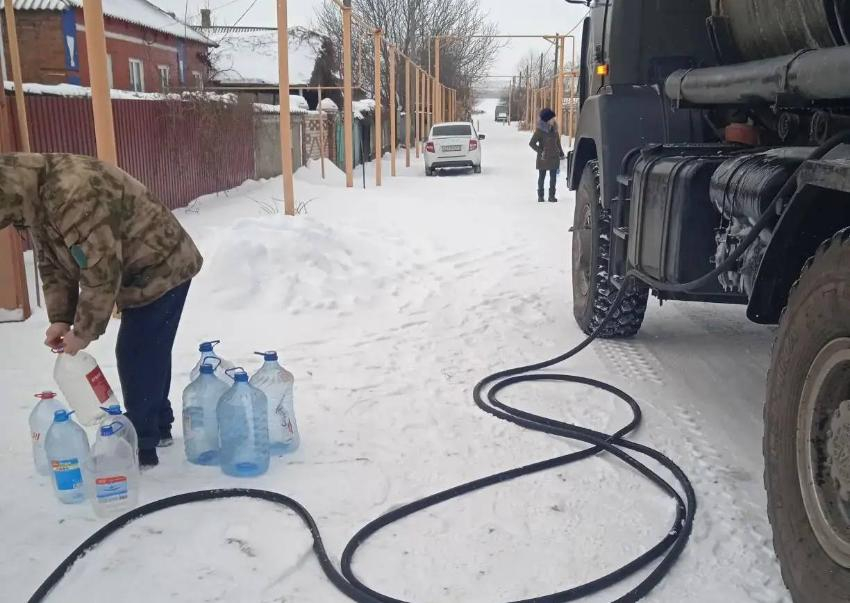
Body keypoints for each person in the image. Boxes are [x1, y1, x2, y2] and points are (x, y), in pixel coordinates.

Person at [0, 153, 202, 468]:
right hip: (133, 270)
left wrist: (83, 331)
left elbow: (100, 269)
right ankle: (158, 425)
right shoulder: (32, 196)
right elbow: (52, 263)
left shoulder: (73, 192)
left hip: (162, 263)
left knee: (136, 351)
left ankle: (140, 444)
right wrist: (60, 318)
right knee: (150, 348)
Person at [529, 107, 566, 203]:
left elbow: (558, 143)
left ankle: (551, 196)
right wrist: (541, 151)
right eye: (552, 118)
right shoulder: (539, 131)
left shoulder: (555, 130)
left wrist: (561, 154)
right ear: (547, 119)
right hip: (543, 158)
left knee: (553, 178)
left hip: (554, 157)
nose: (554, 120)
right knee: (542, 177)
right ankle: (540, 196)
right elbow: (532, 143)